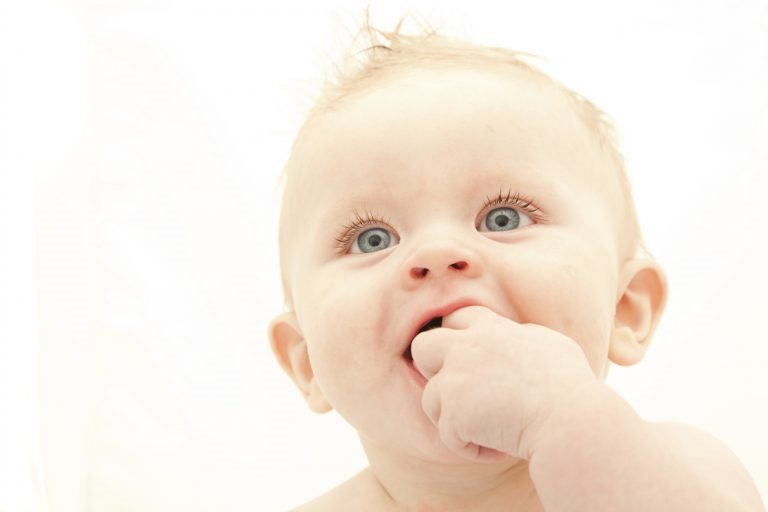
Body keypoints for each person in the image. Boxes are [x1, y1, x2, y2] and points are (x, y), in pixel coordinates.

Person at [267, 18, 765, 512]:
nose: (437, 252)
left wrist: (559, 414)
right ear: (306, 363)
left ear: (624, 310)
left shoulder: (683, 471)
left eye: (503, 218)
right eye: (371, 239)